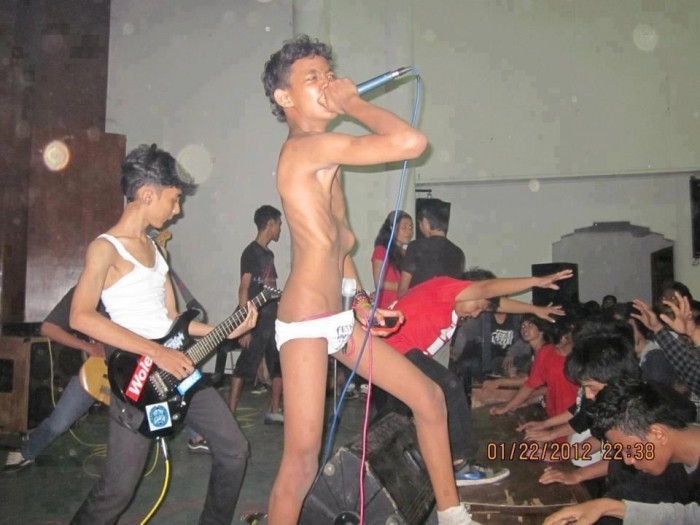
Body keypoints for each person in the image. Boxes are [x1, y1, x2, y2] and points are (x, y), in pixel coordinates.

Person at [262, 34, 475, 524]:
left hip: (339, 317)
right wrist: (352, 102)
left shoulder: (328, 162)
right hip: (306, 321)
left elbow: (340, 246)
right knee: (301, 463)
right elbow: (410, 143)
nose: (327, 83)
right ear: (285, 96)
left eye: (328, 74)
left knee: (428, 397)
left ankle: (452, 514)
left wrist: (358, 298)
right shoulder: (304, 149)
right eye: (312, 78)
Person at [67, 143, 258, 524]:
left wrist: (227, 329)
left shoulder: (156, 250)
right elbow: (80, 316)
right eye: (174, 200)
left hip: (177, 370)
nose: (177, 210)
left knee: (235, 449)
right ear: (147, 194)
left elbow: (173, 320)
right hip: (136, 379)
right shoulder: (105, 249)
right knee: (117, 491)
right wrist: (156, 353)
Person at [372, 273, 570, 486]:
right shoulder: (446, 289)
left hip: (387, 353)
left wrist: (534, 309)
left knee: (394, 413)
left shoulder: (452, 302)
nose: (476, 314)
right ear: (469, 289)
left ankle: (368, 460)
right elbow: (486, 289)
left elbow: (494, 302)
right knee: (449, 386)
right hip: (392, 350)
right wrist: (536, 281)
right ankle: (462, 465)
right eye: (477, 307)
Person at [543, 378, 700, 525]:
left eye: (629, 450)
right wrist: (605, 506)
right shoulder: (669, 460)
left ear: (658, 434)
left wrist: (608, 507)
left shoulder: (666, 463)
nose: (627, 460)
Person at [2, 286, 105, 473]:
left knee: (130, 427)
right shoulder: (87, 288)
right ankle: (27, 453)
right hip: (96, 372)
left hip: (133, 372)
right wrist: (87, 347)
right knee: (59, 422)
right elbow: (48, 328)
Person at [228, 204, 284, 425]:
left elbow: (270, 288)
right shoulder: (251, 252)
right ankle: (230, 412)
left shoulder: (268, 254)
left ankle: (274, 409)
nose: (280, 229)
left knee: (278, 365)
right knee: (245, 366)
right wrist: (245, 326)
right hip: (256, 320)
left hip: (272, 320)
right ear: (270, 224)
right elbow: (244, 288)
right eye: (278, 224)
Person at [397, 201, 465, 297]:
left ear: (425, 223)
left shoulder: (415, 247)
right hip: (445, 305)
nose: (420, 227)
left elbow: (403, 289)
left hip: (419, 303)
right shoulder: (458, 253)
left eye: (420, 223)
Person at [371, 209, 413, 309]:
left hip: (404, 306)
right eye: (404, 227)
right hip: (386, 307)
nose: (409, 231)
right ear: (392, 228)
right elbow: (379, 283)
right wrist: (405, 286)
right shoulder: (381, 251)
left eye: (410, 227)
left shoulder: (408, 253)